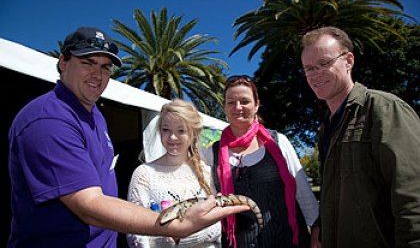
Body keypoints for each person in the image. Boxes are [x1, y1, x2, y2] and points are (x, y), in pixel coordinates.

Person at [7, 27, 248, 248]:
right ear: (62, 62)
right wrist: (173, 224)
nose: (97, 74)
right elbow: (89, 206)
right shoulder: (49, 120)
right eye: (87, 62)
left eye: (105, 67)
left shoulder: (95, 116)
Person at [300, 26, 420, 248]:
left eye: (324, 63)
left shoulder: (383, 109)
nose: (315, 74)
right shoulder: (325, 128)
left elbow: (412, 198)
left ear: (349, 61)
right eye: (309, 68)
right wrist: (321, 225)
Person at [201, 75, 320, 248]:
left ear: (256, 105)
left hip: (286, 240)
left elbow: (302, 190)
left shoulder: (278, 142)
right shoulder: (211, 153)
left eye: (244, 101)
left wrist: (316, 229)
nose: (238, 107)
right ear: (224, 107)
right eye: (231, 102)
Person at [126, 99, 222, 248]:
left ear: (193, 132)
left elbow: (219, 224)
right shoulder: (144, 174)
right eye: (166, 130)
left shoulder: (207, 171)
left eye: (181, 130)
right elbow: (136, 233)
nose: (172, 137)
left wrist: (181, 236)